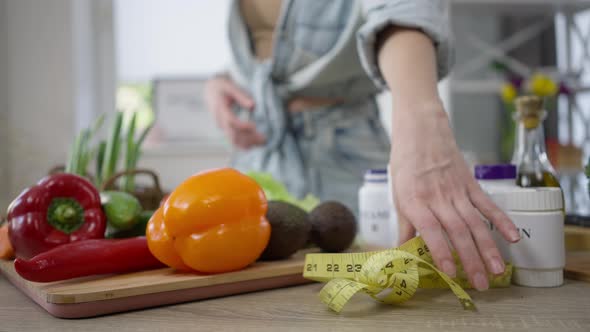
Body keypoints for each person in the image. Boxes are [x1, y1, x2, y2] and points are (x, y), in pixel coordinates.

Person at [204, 0, 520, 291]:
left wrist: (422, 114)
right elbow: (269, 45)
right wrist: (221, 80)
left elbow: (402, 9)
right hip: (256, 155)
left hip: (343, 157)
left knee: (376, 283)